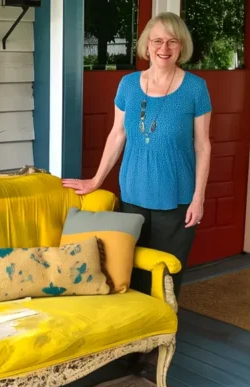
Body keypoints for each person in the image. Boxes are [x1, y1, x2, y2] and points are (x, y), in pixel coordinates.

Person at [63, 12, 212, 300]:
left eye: (172, 42)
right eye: (157, 40)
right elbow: (117, 135)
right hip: (132, 194)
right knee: (127, 271)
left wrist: (198, 197)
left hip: (176, 198)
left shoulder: (195, 88)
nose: (164, 49)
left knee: (165, 275)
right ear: (147, 44)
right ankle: (134, 337)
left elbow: (203, 146)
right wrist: (95, 180)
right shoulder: (128, 84)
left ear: (182, 47)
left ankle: (160, 335)